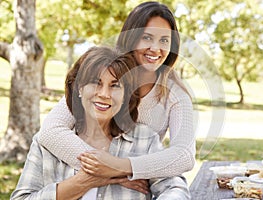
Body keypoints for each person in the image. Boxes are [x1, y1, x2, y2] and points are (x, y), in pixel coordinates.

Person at [38, 1, 195, 181]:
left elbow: (184, 155)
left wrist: (120, 168)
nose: (155, 48)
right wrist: (105, 174)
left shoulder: (175, 94)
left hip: (135, 188)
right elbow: (50, 131)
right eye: (147, 37)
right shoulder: (105, 74)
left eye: (164, 40)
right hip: (81, 180)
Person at [10, 46, 190, 200]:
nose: (104, 94)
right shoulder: (46, 145)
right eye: (96, 83)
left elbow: (176, 189)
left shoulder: (145, 140)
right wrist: (84, 181)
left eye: (115, 85)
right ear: (79, 88)